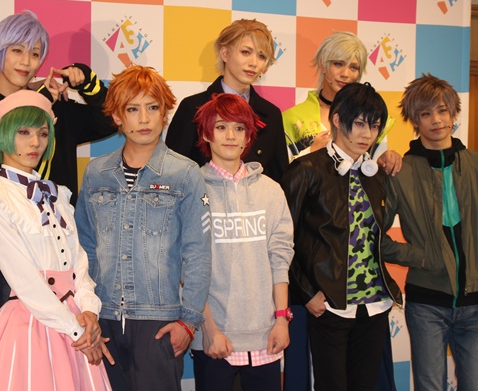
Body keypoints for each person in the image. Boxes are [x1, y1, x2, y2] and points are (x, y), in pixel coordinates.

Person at [0, 11, 116, 323]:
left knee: (67, 350)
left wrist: (88, 82)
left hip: (65, 261)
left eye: (35, 54)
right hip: (13, 264)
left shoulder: (58, 106)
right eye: (17, 50)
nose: (26, 62)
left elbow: (111, 119)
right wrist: (38, 101)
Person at [0, 90, 111, 391]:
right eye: (24, 132)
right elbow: (23, 278)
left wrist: (89, 311)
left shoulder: (59, 195)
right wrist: (76, 331)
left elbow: (78, 262)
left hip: (74, 320)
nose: (35, 143)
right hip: (30, 323)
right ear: (3, 135)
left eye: (43, 134)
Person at [76, 65, 212, 391]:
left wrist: (189, 322)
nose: (144, 119)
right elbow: (83, 248)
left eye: (152, 107)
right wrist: (85, 313)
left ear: (165, 113)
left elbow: (198, 252)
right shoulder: (96, 172)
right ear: (117, 116)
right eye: (133, 109)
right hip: (103, 318)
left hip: (159, 321)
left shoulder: (185, 173)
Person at [381, 74, 478, 391]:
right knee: (429, 387)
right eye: (426, 114)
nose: (436, 120)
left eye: (442, 110)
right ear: (414, 120)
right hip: (426, 304)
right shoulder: (401, 171)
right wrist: (417, 256)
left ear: (453, 112)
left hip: (477, 305)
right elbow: (371, 235)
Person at [281, 82, 402, 391]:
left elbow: (375, 237)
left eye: (374, 126)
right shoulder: (306, 169)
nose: (367, 134)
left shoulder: (375, 175)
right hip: (330, 304)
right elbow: (281, 242)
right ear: (337, 120)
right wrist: (307, 293)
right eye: (359, 123)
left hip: (374, 305)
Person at [190, 93, 294, 391]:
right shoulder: (192, 188)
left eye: (239, 128)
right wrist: (209, 330)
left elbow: (280, 258)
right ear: (206, 134)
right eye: (221, 127)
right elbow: (188, 268)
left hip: (267, 336)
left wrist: (281, 320)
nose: (230, 136)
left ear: (249, 136)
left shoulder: (271, 191)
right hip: (215, 337)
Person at [165, 19, 289, 183]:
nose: (253, 63)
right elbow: (171, 174)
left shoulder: (271, 114)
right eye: (246, 52)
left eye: (261, 56)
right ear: (225, 54)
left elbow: (280, 177)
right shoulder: (193, 108)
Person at [282, 31, 401, 173]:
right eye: (338, 64)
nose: (345, 74)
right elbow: (281, 174)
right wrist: (310, 151)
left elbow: (375, 174)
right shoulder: (292, 119)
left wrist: (385, 160)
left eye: (353, 67)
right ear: (323, 66)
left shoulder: (373, 117)